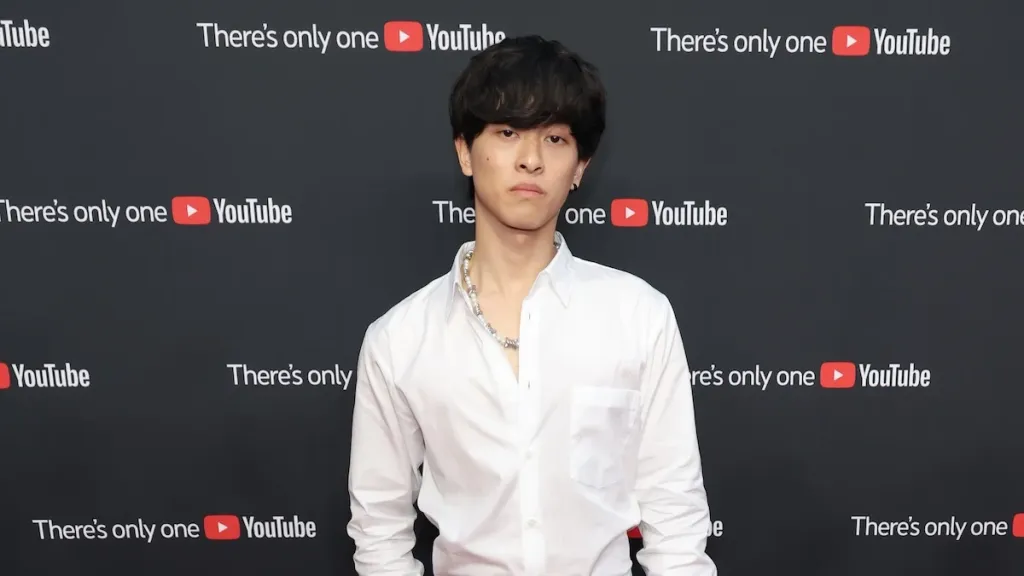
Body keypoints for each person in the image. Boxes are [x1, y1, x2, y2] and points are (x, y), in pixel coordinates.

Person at [347, 35, 717, 576]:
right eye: (506, 132)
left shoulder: (639, 316)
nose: (530, 160)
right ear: (464, 152)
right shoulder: (399, 339)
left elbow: (675, 519)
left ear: (581, 166)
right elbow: (379, 529)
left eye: (555, 138)